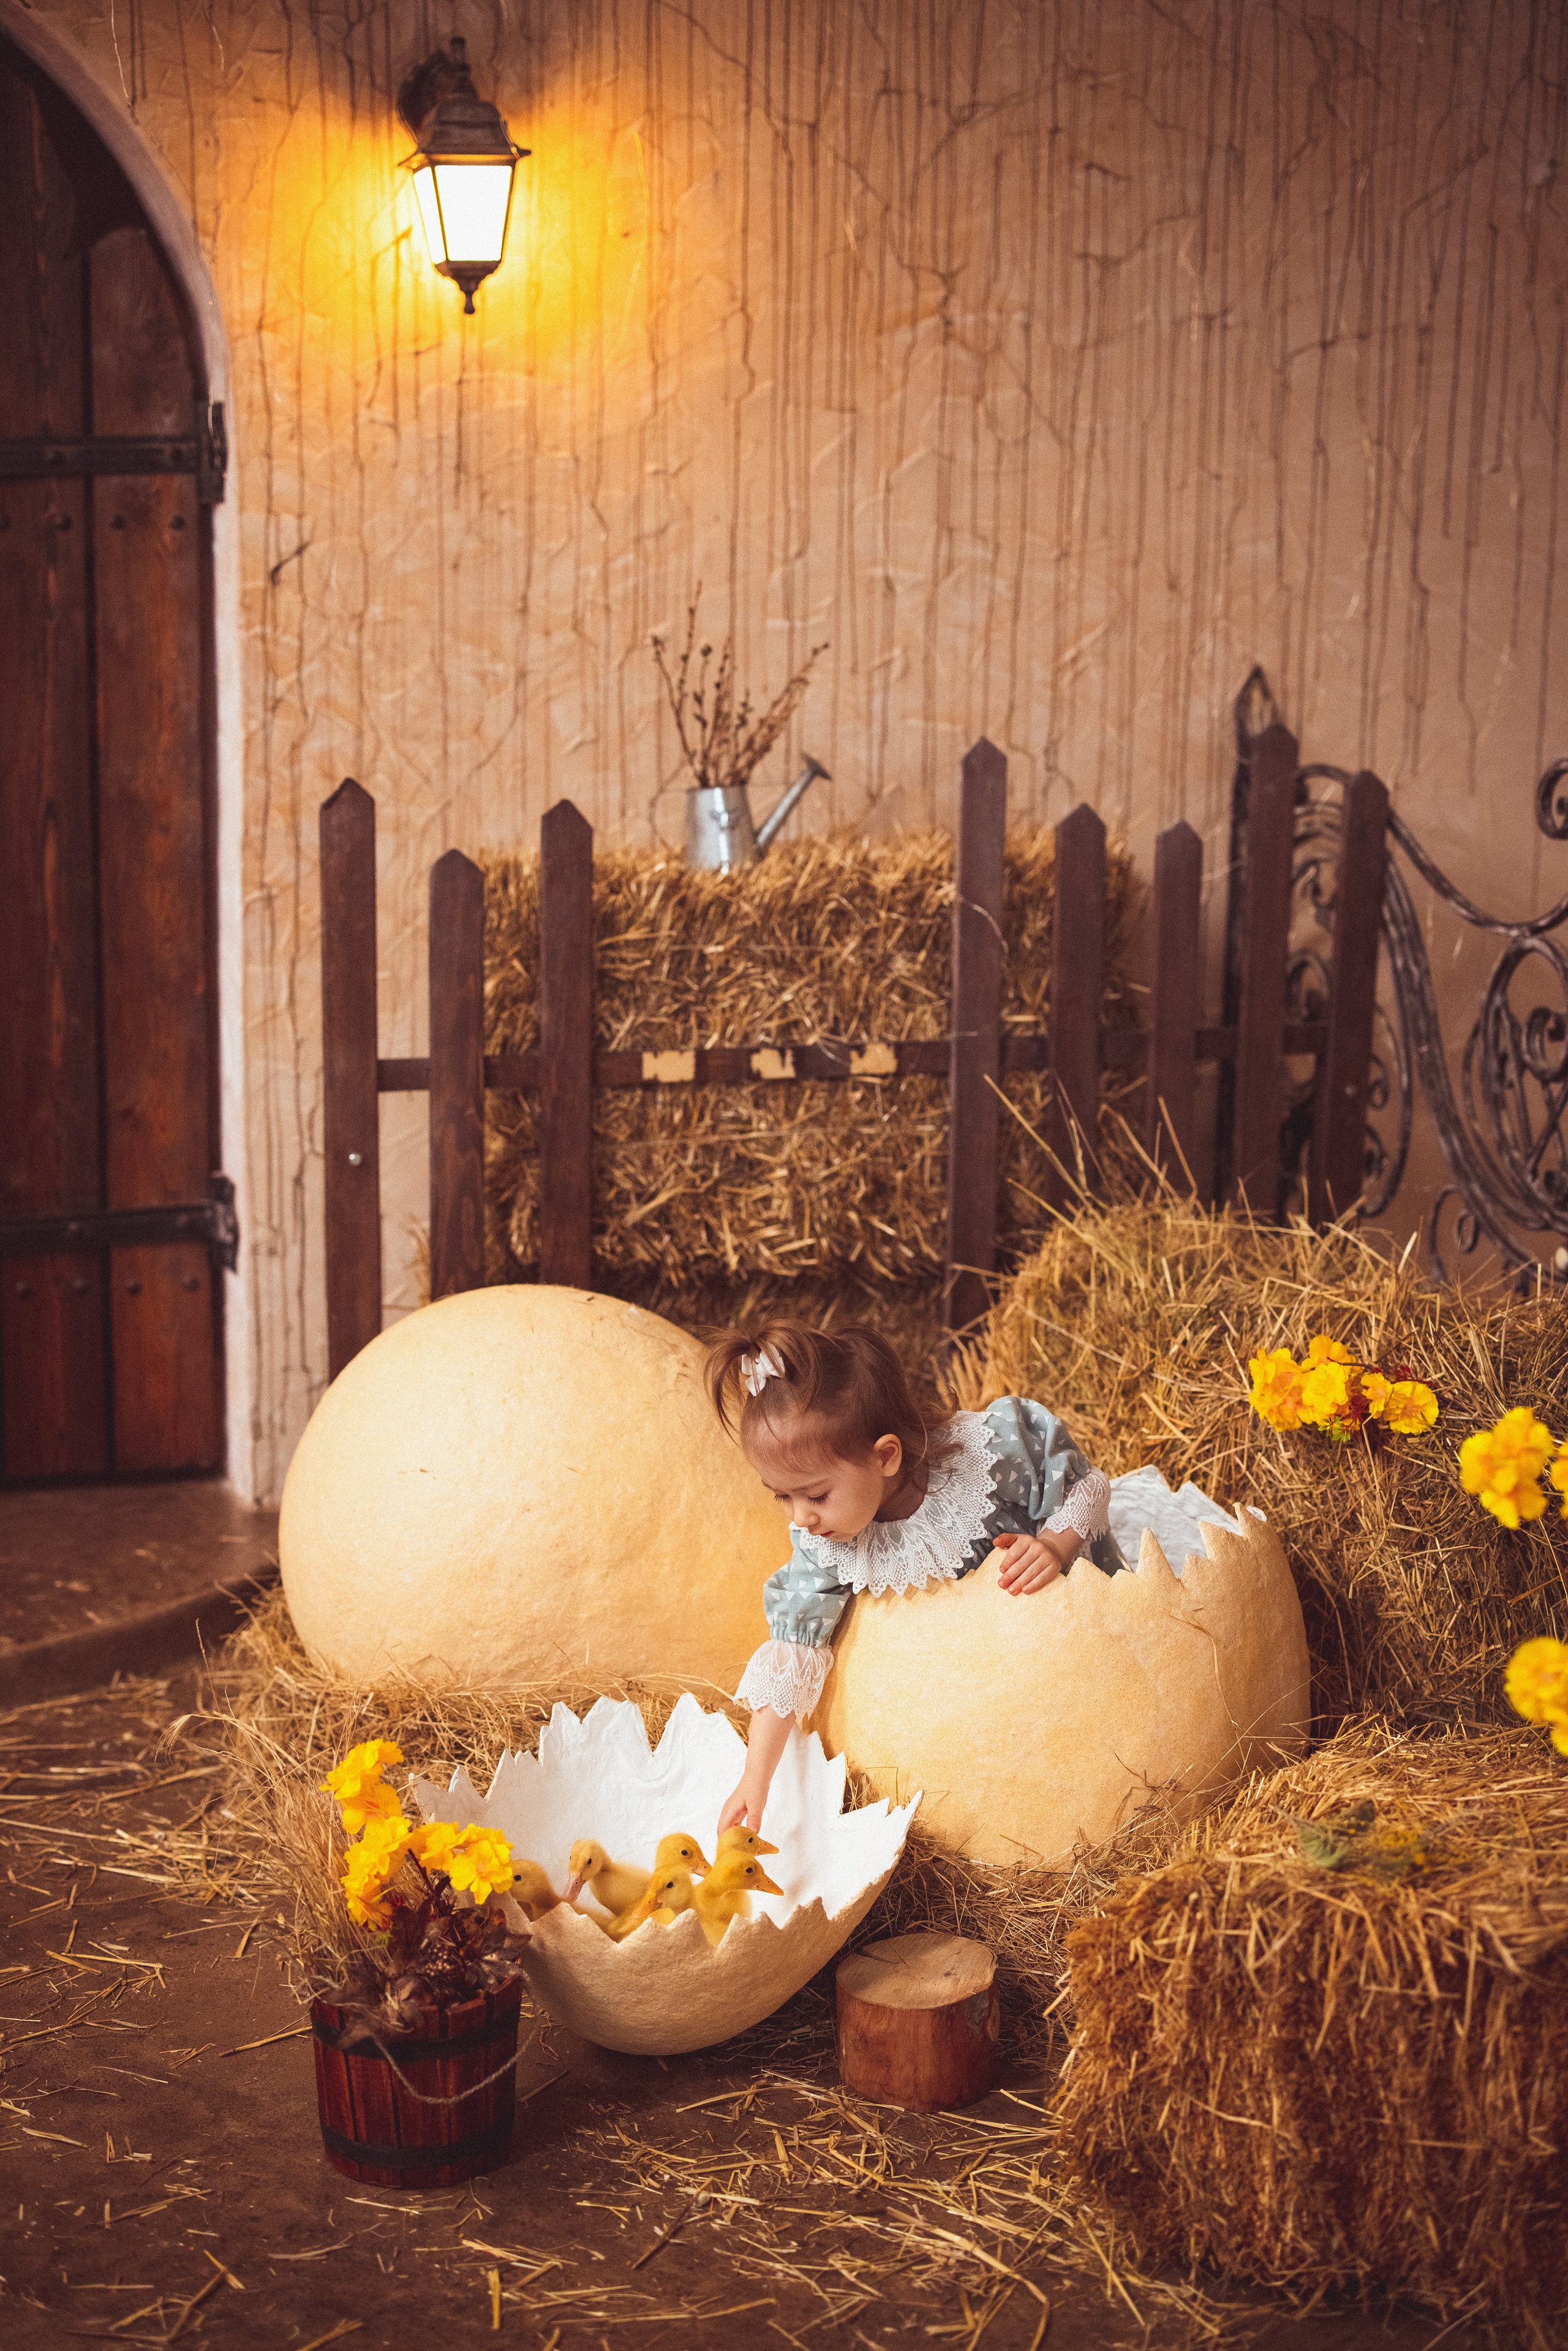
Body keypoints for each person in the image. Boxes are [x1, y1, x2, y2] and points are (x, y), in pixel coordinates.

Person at [706, 1319, 1129, 1834]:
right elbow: (794, 1649)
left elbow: (1085, 1488)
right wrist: (755, 1780)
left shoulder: (993, 1457)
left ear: (885, 1456)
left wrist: (1054, 1546)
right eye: (782, 1496)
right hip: (982, 1690)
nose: (800, 1518)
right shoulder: (824, 1547)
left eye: (815, 1495)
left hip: (1063, 1631)